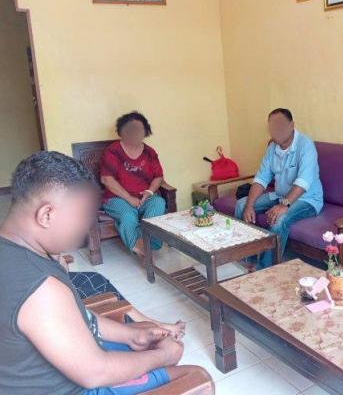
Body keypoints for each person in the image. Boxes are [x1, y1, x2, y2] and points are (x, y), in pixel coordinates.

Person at [0, 151, 204, 394]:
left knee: (144, 338)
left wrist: (130, 335)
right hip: (73, 386)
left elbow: (74, 318)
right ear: (47, 215)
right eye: (82, 215)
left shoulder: (18, 253)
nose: (85, 227)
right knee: (197, 377)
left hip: (62, 362)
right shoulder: (41, 287)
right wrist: (163, 356)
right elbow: (95, 373)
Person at [235, 108, 323, 271]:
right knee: (241, 205)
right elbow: (261, 179)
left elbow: (304, 181)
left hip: (307, 199)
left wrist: (283, 205)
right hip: (280, 195)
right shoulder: (272, 148)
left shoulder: (305, 145)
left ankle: (265, 269)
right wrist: (249, 205)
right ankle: (247, 259)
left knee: (279, 219)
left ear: (292, 125)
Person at [100, 111, 166, 258]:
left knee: (158, 203)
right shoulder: (112, 152)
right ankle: (141, 249)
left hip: (144, 197)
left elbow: (158, 176)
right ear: (121, 131)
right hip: (117, 197)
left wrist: (149, 192)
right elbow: (107, 180)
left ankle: (148, 245)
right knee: (128, 216)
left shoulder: (149, 152)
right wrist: (129, 199)